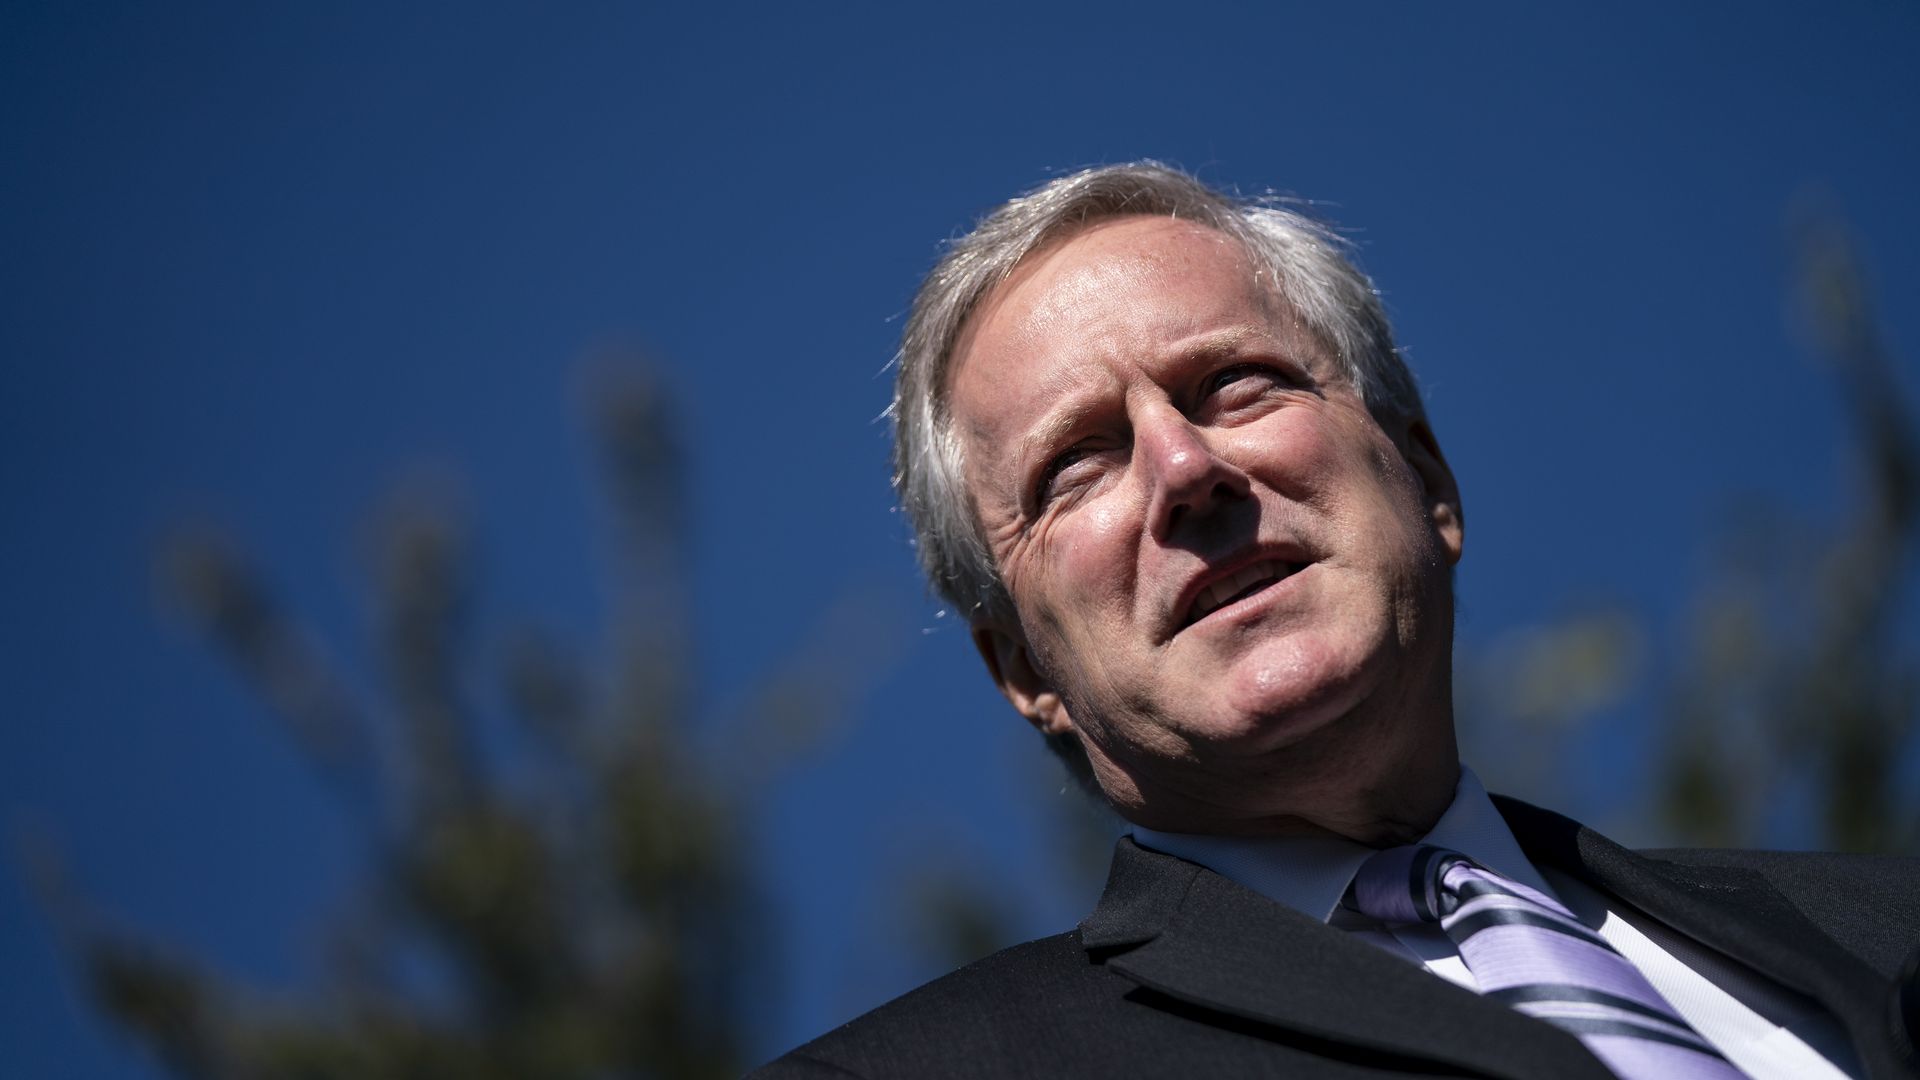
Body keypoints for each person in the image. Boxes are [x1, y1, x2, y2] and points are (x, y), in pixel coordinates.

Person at [750, 163, 1920, 1079]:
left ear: (1430, 483)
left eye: (1236, 385)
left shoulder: (1885, 920)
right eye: (1078, 465)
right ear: (1023, 669)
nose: (1185, 469)